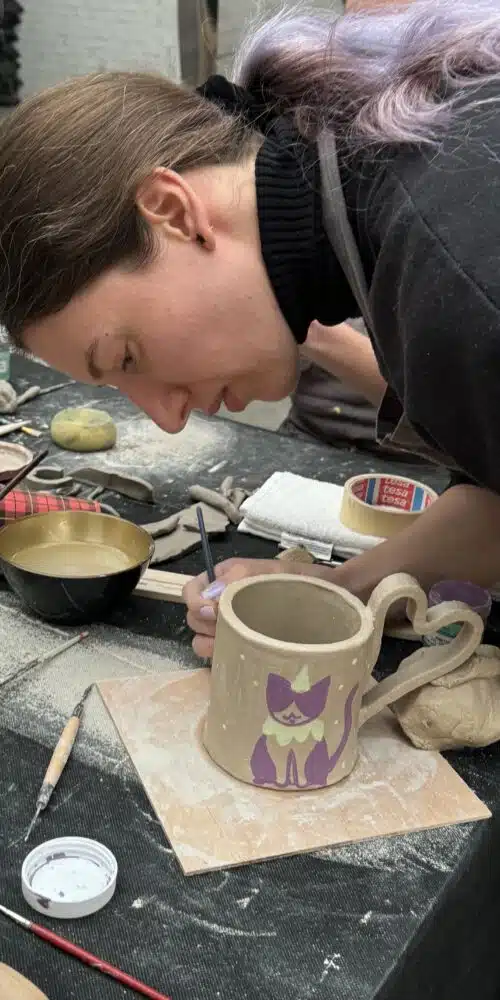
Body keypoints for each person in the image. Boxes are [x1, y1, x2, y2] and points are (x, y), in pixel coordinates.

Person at [0, 0, 499, 658]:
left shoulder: (457, 275)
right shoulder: (372, 195)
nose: (168, 419)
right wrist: (338, 589)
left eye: (127, 357)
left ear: (174, 212)